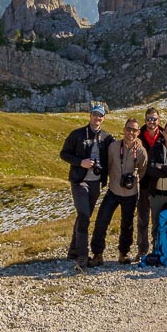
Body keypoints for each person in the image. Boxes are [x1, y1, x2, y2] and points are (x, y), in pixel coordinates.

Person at [59, 103, 113, 269]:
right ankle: (82, 255)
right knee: (83, 215)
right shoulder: (77, 134)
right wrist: (80, 162)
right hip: (79, 181)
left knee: (85, 215)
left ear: (103, 118)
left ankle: (73, 250)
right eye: (95, 114)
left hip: (96, 182)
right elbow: (64, 153)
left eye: (100, 115)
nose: (97, 118)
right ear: (90, 115)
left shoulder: (106, 137)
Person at [90, 118, 149, 265]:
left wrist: (134, 180)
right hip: (113, 190)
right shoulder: (113, 147)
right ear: (124, 129)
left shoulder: (141, 151)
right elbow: (108, 166)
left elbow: (142, 170)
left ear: (138, 132)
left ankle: (123, 253)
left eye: (134, 130)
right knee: (101, 221)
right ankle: (97, 254)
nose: (131, 132)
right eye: (128, 129)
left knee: (127, 225)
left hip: (131, 193)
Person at [135, 107, 164, 258]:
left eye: (154, 119)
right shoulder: (138, 135)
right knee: (143, 217)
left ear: (158, 121)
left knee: (159, 217)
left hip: (160, 183)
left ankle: (158, 247)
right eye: (149, 119)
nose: (151, 122)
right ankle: (142, 249)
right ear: (145, 120)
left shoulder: (165, 135)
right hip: (143, 182)